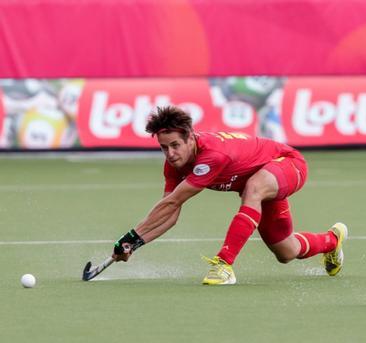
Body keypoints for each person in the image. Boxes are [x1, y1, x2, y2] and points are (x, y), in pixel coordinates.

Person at [111, 105, 347, 285]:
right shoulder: (173, 165)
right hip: (265, 177)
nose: (170, 153)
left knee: (252, 189)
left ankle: (224, 265)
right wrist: (135, 244)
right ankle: (332, 241)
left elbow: (173, 201)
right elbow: (170, 213)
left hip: (287, 164)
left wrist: (130, 236)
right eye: (164, 147)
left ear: (190, 138)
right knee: (287, 251)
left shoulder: (212, 155)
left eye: (175, 145)